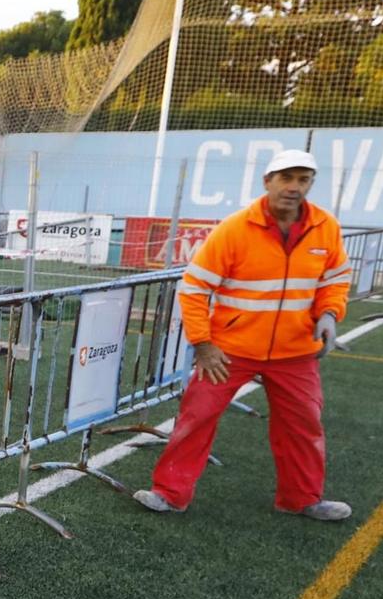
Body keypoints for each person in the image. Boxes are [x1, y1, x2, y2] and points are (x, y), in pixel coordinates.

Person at [134, 150, 355, 521]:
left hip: (295, 352)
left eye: (303, 180)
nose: (294, 187)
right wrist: (203, 345)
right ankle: (170, 494)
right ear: (267, 181)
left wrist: (330, 315)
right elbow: (194, 287)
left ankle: (301, 499)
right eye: (286, 178)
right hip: (228, 351)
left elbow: (334, 279)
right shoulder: (235, 228)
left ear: (310, 185)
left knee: (304, 425)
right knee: (197, 417)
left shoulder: (326, 227)